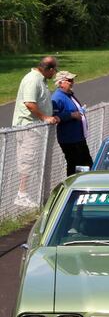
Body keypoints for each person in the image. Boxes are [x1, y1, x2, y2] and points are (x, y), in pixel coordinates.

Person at [12, 56, 59, 207]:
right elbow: (29, 103)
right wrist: (45, 117)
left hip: (36, 128)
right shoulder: (33, 79)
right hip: (29, 127)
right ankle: (22, 194)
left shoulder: (41, 80)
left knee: (35, 160)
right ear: (49, 69)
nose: (55, 73)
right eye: (54, 70)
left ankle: (34, 192)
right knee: (28, 159)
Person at [51, 71, 92, 176]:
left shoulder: (69, 95)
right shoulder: (57, 98)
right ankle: (75, 186)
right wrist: (71, 115)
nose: (72, 82)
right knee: (76, 165)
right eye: (69, 80)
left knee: (86, 164)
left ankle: (84, 184)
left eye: (72, 80)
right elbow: (54, 117)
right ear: (60, 83)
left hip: (78, 137)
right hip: (70, 139)